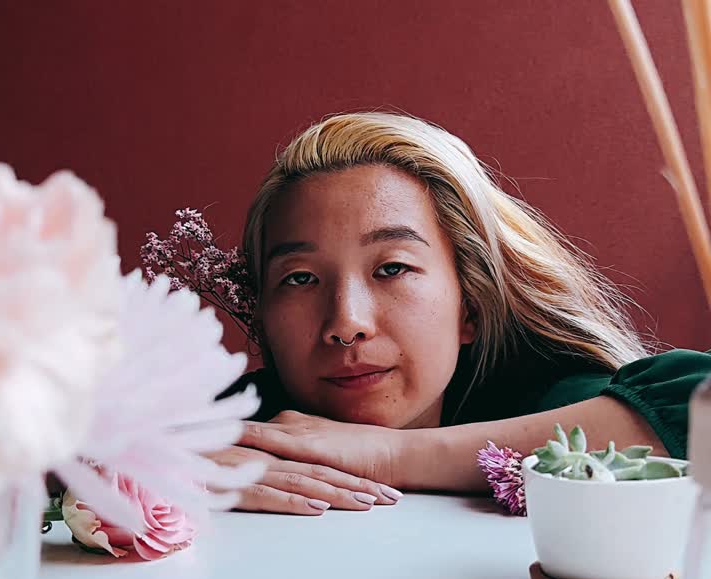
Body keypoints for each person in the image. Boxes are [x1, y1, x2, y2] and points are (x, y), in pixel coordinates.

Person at [214, 112, 709, 514]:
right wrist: (151, 474)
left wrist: (389, 456)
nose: (346, 323)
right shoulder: (229, 421)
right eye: (300, 278)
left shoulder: (542, 404)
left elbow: (697, 403)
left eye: (392, 269)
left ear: (469, 304)